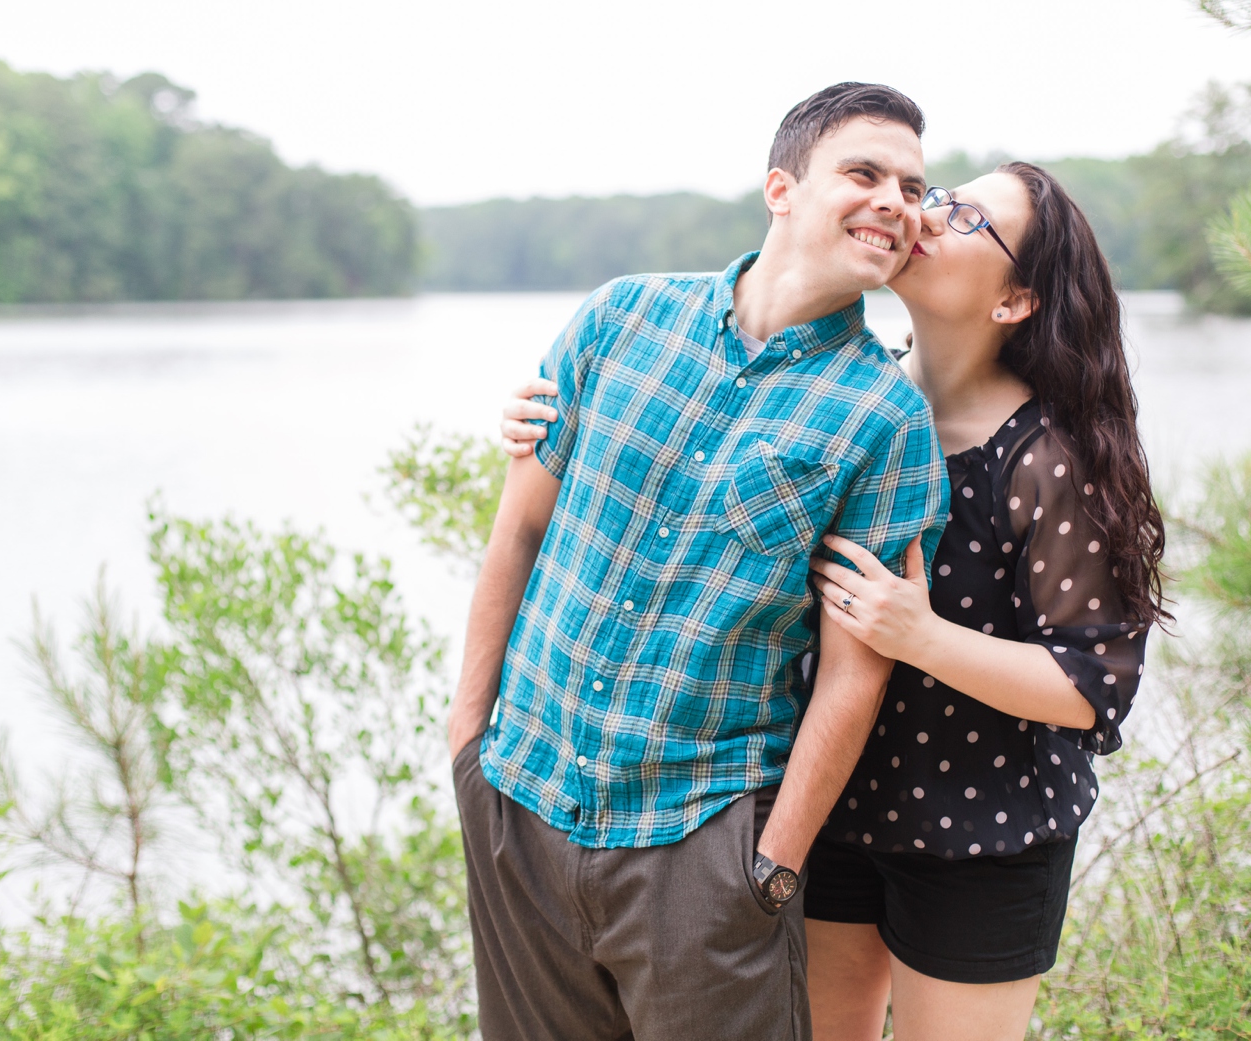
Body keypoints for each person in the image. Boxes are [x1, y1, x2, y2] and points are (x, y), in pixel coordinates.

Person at [498, 163, 1167, 1041]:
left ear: (1014, 302)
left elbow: (1094, 686)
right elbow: (687, 508)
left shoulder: (1048, 457)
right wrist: (544, 429)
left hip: (985, 838)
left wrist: (920, 636)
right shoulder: (850, 406)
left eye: (967, 217)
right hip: (825, 812)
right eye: (941, 196)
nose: (925, 216)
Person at [447, 82, 949, 1041]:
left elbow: (855, 669)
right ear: (782, 189)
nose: (896, 200)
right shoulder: (620, 321)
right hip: (521, 800)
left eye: (913, 187)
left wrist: (773, 864)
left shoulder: (883, 420)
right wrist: (470, 739)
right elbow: (517, 533)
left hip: (700, 848)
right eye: (865, 172)